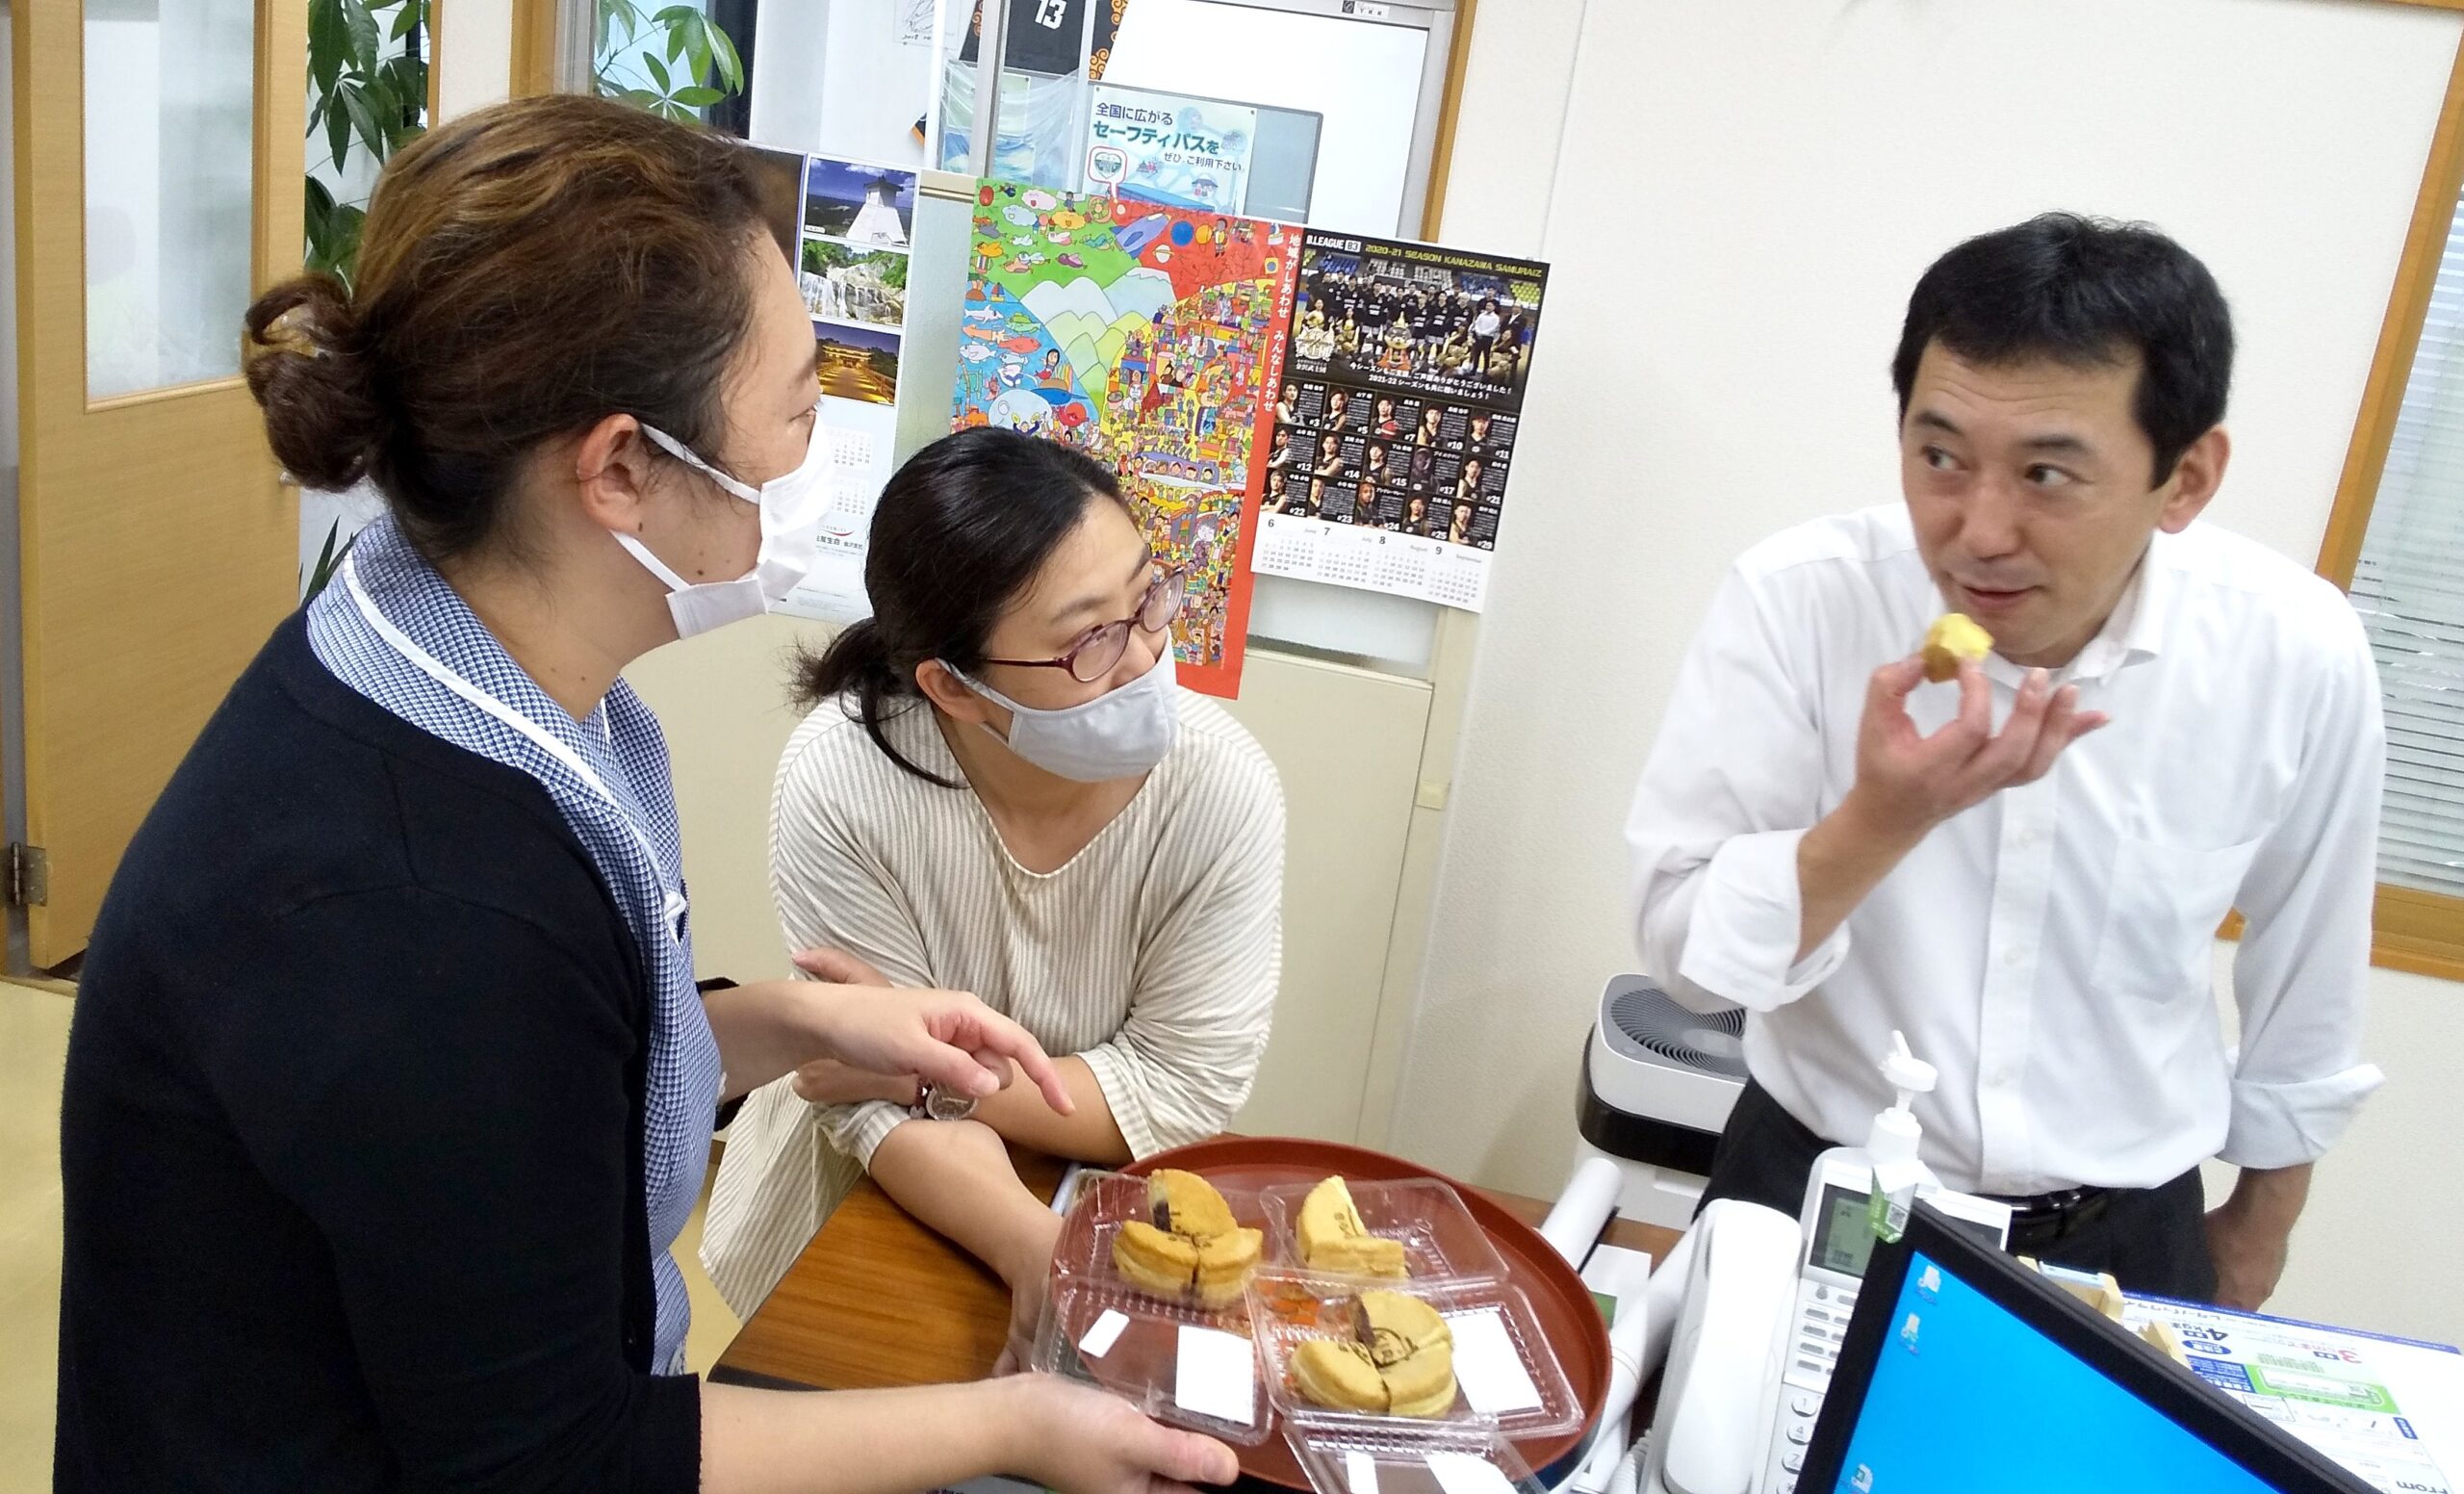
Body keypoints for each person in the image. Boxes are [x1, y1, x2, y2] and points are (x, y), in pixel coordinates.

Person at [52, 95, 1238, 1494]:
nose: (814, 465)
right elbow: (559, 1459)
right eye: (800, 408)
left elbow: (532, 1082)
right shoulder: (420, 907)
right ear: (620, 467)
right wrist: (1016, 1429)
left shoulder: (454, 650)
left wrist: (787, 1025)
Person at [1624, 214, 2385, 1307]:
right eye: (1939, 457)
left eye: (2046, 474)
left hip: (2125, 1227)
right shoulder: (1798, 599)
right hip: (1809, 1184)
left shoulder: (2290, 648)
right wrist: (1876, 823)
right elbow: (1687, 963)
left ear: (2185, 479)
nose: (1978, 529)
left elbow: (2309, 958)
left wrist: (2262, 1226)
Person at [702, 429, 1285, 1343]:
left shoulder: (1219, 786)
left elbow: (1182, 1093)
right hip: (874, 1200)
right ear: (956, 688)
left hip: (1102, 1204)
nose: (1142, 658)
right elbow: (861, 1097)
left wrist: (936, 1081)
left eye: (1149, 599)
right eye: (1089, 639)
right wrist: (1032, 1240)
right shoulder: (845, 779)